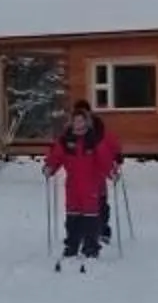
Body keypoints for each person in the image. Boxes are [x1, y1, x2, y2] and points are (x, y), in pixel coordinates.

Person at [44, 99, 119, 261]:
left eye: (81, 120)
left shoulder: (93, 140)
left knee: (90, 216)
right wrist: (50, 167)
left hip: (91, 183)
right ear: (72, 122)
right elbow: (56, 156)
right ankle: (72, 245)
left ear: (86, 122)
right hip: (72, 184)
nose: (78, 124)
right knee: (72, 216)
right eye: (75, 121)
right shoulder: (65, 141)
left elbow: (104, 160)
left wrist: (112, 172)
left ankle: (91, 247)